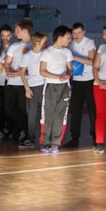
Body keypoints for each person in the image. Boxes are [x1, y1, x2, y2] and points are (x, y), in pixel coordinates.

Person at [39, 25, 74, 154]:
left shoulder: (67, 52)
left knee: (60, 114)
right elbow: (42, 71)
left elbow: (70, 69)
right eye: (68, 37)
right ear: (60, 37)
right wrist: (57, 77)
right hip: (50, 86)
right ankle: (45, 142)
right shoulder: (47, 52)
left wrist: (67, 75)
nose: (69, 40)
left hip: (64, 87)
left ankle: (55, 143)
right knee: (48, 114)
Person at [66, 22, 97, 148]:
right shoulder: (71, 44)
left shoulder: (89, 42)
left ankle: (96, 137)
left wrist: (74, 57)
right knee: (75, 110)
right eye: (74, 33)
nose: (77, 35)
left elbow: (92, 61)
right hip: (77, 80)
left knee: (92, 110)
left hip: (90, 80)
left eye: (79, 32)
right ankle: (74, 138)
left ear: (84, 32)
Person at [3, 19, 33, 144]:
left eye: (17, 30)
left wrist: (21, 73)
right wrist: (8, 70)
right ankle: (21, 130)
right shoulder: (14, 46)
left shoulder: (34, 46)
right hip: (11, 83)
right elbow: (7, 63)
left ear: (25, 31)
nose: (15, 33)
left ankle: (25, 134)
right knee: (8, 108)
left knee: (23, 110)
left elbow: (35, 67)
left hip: (25, 84)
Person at [18, 32, 48, 149]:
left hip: (45, 85)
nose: (47, 43)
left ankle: (46, 138)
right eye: (44, 41)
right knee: (32, 115)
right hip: (33, 87)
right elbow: (22, 72)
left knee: (45, 113)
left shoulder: (46, 54)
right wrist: (27, 88)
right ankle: (30, 138)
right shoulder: (27, 56)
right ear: (37, 43)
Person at [92, 25, 106, 154]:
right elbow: (95, 67)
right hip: (100, 85)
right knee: (101, 114)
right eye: (104, 34)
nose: (103, 37)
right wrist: (98, 81)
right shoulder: (102, 47)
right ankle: (99, 143)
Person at [0, 24, 14, 137]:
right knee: (1, 106)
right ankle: (1, 128)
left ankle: (9, 129)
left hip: (10, 80)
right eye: (3, 35)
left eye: (7, 35)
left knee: (9, 106)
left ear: (11, 35)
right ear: (0, 35)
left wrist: (4, 64)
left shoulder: (14, 48)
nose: (5, 38)